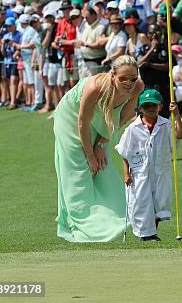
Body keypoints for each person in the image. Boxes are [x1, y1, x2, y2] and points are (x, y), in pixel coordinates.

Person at [54, 55, 144, 242]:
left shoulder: (138, 87)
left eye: (132, 78)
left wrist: (102, 144)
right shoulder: (95, 87)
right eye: (123, 79)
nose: (129, 83)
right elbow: (82, 122)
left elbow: (122, 117)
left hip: (103, 120)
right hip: (71, 118)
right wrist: (90, 155)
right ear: (113, 75)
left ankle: (115, 215)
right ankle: (81, 222)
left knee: (102, 167)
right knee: (80, 168)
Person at [116, 89, 182, 242]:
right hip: (140, 172)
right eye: (147, 106)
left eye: (154, 105)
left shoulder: (166, 124)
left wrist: (177, 115)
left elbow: (179, 135)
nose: (151, 109)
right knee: (141, 203)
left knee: (159, 203)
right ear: (140, 108)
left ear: (160, 106)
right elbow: (124, 152)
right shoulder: (132, 129)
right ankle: (147, 235)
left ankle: (151, 233)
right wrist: (126, 174)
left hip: (161, 170)